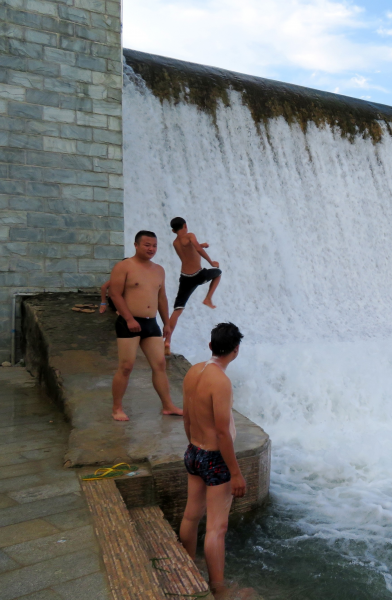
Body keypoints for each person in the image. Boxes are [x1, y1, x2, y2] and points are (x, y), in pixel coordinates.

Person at [179, 322, 246, 596]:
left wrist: (193, 446)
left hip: (193, 451)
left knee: (191, 516)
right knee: (217, 527)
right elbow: (221, 431)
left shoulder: (194, 371)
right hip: (215, 459)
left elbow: (186, 414)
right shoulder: (221, 381)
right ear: (236, 350)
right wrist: (236, 473)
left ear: (210, 346)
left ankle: (186, 569)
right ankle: (218, 588)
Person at [108, 231, 183, 421]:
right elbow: (115, 294)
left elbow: (161, 297)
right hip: (129, 322)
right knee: (126, 366)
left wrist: (166, 323)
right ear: (136, 245)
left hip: (151, 323)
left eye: (154, 245)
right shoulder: (124, 266)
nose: (151, 249)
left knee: (160, 364)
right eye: (147, 245)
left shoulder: (159, 270)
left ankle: (167, 405)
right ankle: (117, 408)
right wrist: (129, 319)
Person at [165, 217, 222, 354]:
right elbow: (196, 249)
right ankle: (208, 298)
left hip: (185, 278)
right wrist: (211, 262)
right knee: (218, 272)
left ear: (173, 230)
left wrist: (201, 244)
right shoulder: (190, 236)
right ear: (185, 225)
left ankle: (167, 341)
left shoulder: (175, 243)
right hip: (198, 275)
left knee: (178, 309)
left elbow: (188, 249)